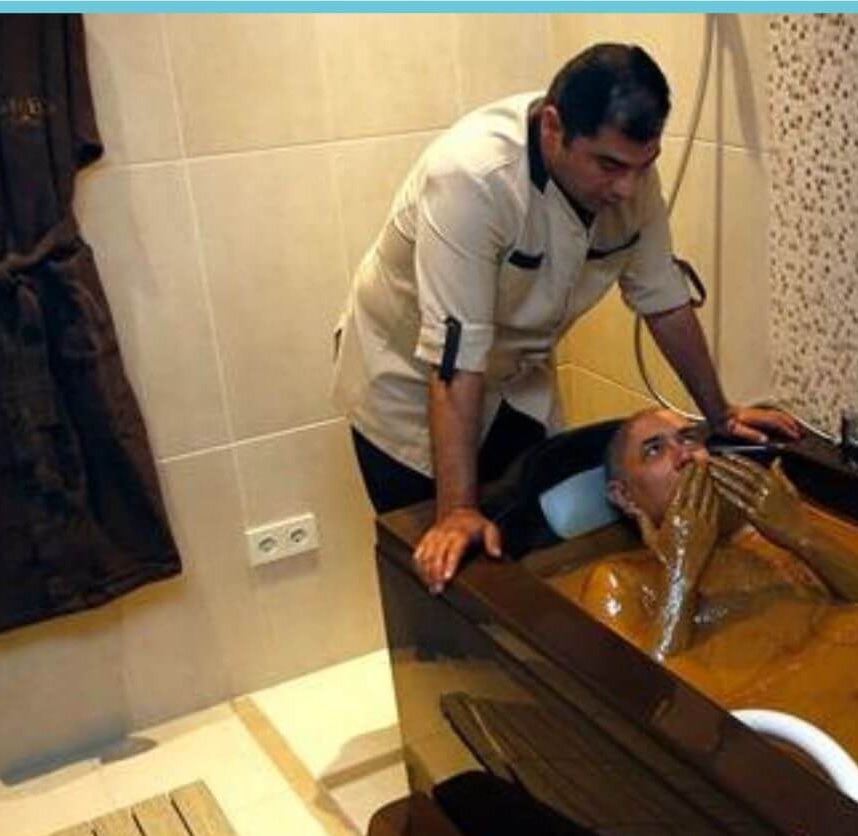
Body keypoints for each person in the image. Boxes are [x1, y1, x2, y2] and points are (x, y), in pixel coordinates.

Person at [331, 43, 798, 592]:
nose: (628, 188)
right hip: (409, 384)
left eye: (644, 165)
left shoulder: (629, 176)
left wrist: (720, 414)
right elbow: (457, 356)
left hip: (513, 380)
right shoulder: (472, 179)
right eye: (609, 166)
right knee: (443, 571)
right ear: (553, 127)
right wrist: (456, 510)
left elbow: (664, 299)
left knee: (525, 544)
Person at [584, 409, 858, 658]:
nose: (684, 456)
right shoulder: (619, 583)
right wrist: (681, 572)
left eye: (688, 439)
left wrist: (802, 535)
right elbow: (649, 691)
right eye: (654, 450)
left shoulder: (766, 536)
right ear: (624, 496)